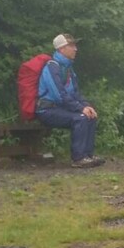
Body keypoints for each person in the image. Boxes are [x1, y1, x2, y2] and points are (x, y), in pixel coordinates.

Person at [35, 34, 103, 168]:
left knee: (90, 116)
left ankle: (88, 155)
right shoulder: (52, 67)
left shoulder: (68, 69)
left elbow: (76, 93)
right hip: (47, 110)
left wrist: (86, 106)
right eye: (71, 46)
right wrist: (79, 108)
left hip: (60, 109)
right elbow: (59, 95)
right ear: (61, 49)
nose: (75, 49)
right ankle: (78, 158)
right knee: (81, 117)